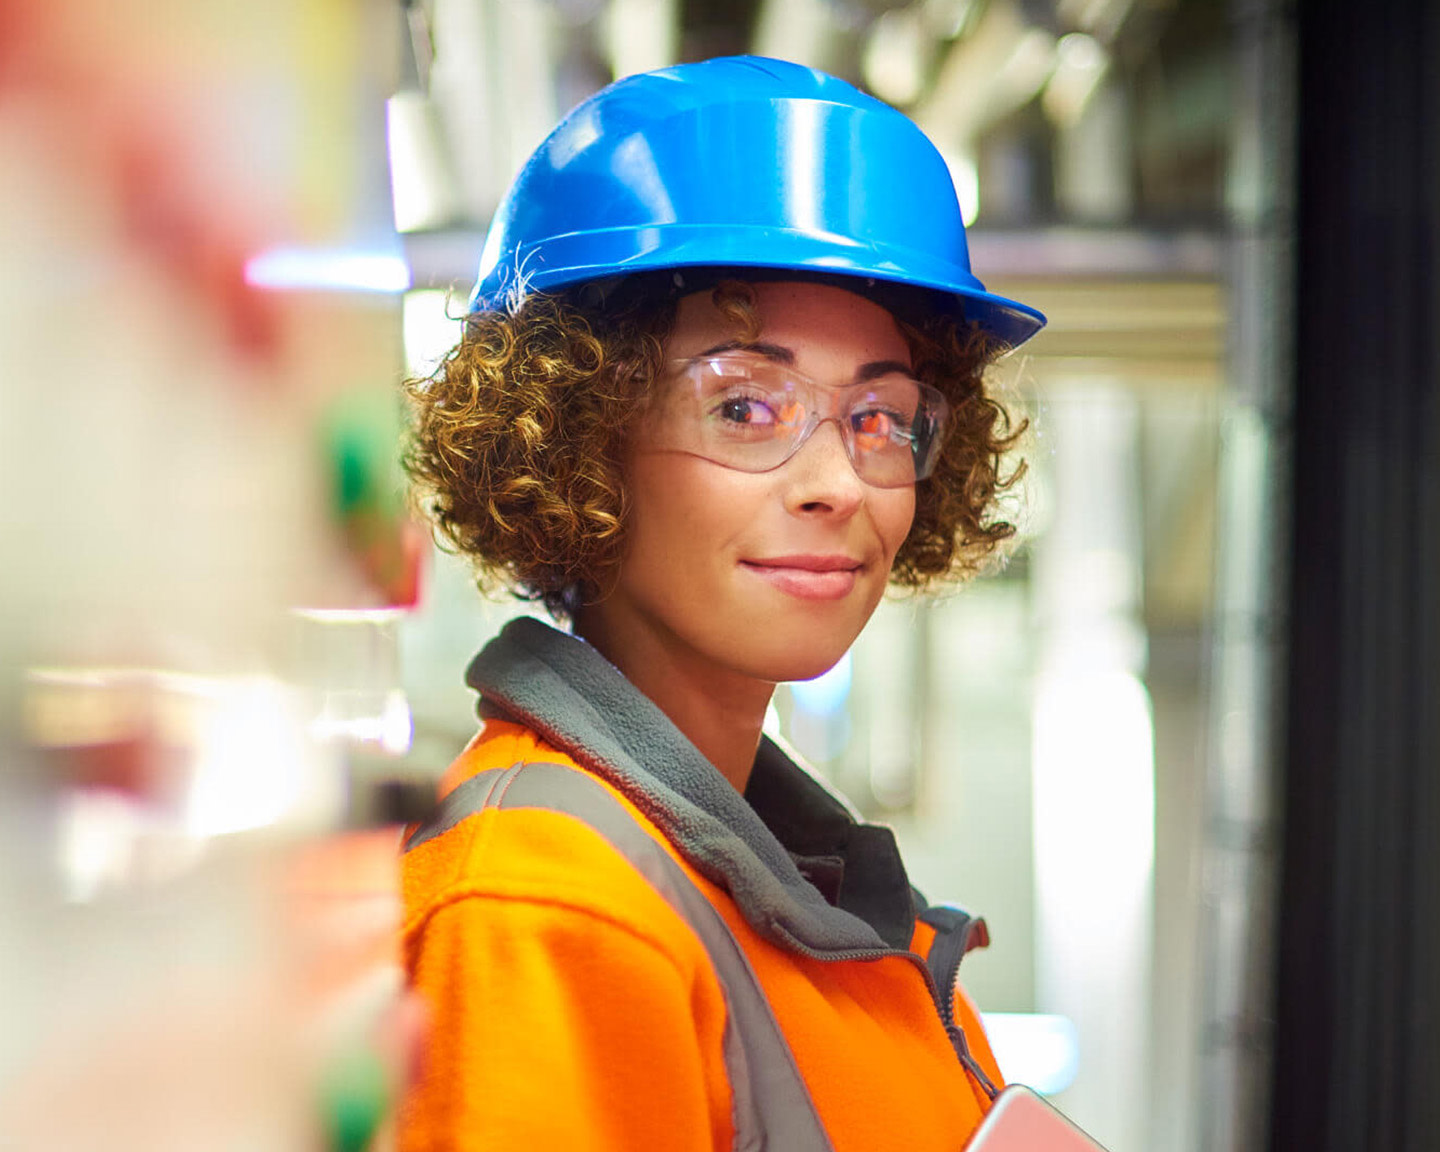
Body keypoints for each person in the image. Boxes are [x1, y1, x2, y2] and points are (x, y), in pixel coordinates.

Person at [398, 55, 1045, 1151]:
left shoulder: (814, 909)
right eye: (745, 407)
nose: (840, 483)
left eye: (881, 418)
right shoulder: (549, 909)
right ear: (579, 440)